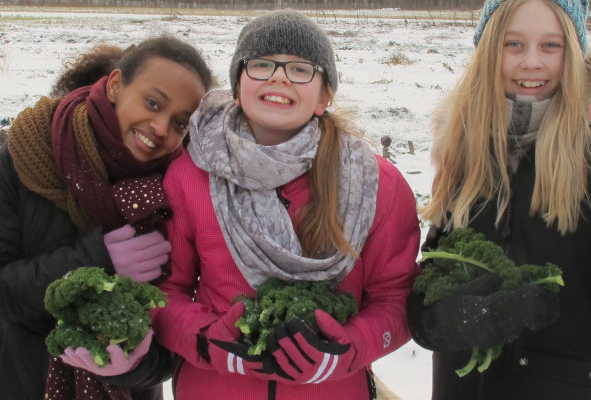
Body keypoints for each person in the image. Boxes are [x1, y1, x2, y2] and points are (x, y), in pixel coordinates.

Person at [408, 0, 591, 398]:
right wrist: (446, 321)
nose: (531, 62)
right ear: (488, 50)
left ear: (573, 51)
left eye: (550, 46)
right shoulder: (464, 145)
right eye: (513, 44)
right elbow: (428, 291)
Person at [152, 10, 421, 400]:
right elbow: (166, 289)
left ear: (324, 97)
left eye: (300, 69)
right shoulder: (191, 175)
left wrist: (347, 350)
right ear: (238, 83)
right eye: (261, 65)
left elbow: (395, 296)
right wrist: (206, 339)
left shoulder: (377, 184)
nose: (278, 77)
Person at [0, 36, 215, 400]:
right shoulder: (33, 149)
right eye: (152, 103)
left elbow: (177, 331)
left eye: (180, 123)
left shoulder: (178, 190)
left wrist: (135, 364)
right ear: (116, 85)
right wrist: (94, 261)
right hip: (18, 383)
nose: (160, 128)